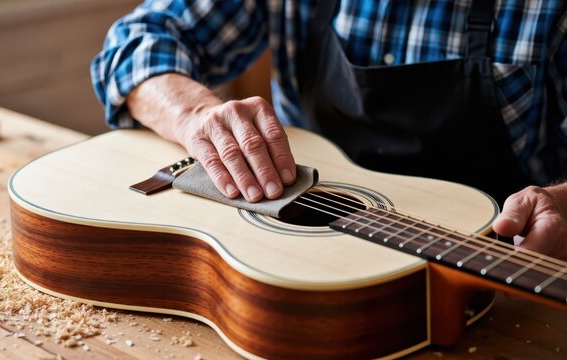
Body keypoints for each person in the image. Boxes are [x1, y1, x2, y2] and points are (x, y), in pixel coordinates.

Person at [91, 0, 567, 261]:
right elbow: (139, 38)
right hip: (288, 255)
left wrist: (560, 203)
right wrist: (193, 112)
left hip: (486, 258)